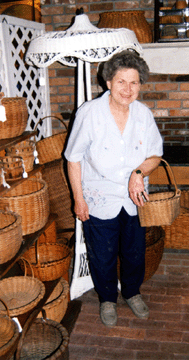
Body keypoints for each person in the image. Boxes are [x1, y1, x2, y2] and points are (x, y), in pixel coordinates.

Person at [64, 50, 163, 327]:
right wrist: (78, 199)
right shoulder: (89, 113)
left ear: (140, 85)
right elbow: (73, 158)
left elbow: (155, 155)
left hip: (135, 198)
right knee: (103, 254)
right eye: (121, 82)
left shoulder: (143, 115)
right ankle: (107, 299)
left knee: (134, 252)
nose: (127, 89)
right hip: (99, 198)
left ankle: (132, 292)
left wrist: (139, 172)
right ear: (108, 82)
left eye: (134, 83)